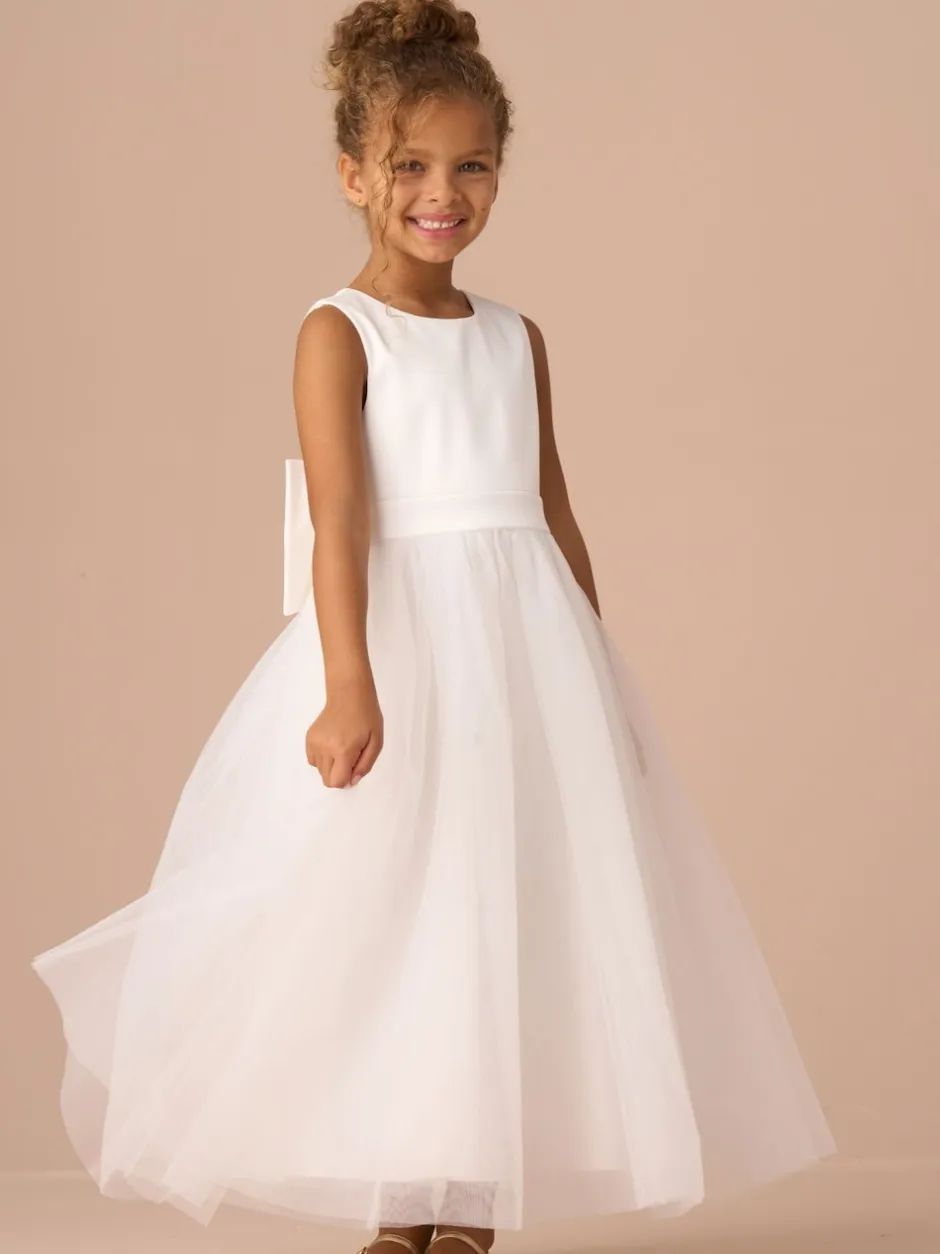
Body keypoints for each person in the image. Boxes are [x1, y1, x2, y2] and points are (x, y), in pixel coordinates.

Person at [31, 1, 837, 1251]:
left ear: (499, 173)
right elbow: (339, 521)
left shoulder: (516, 338)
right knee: (397, 916)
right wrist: (348, 680)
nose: (441, 194)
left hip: (528, 660)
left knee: (504, 910)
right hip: (406, 653)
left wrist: (598, 674)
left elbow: (554, 515)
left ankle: (468, 1202)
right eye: (409, 165)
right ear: (352, 173)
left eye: (472, 166)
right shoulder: (337, 334)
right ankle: (399, 1197)